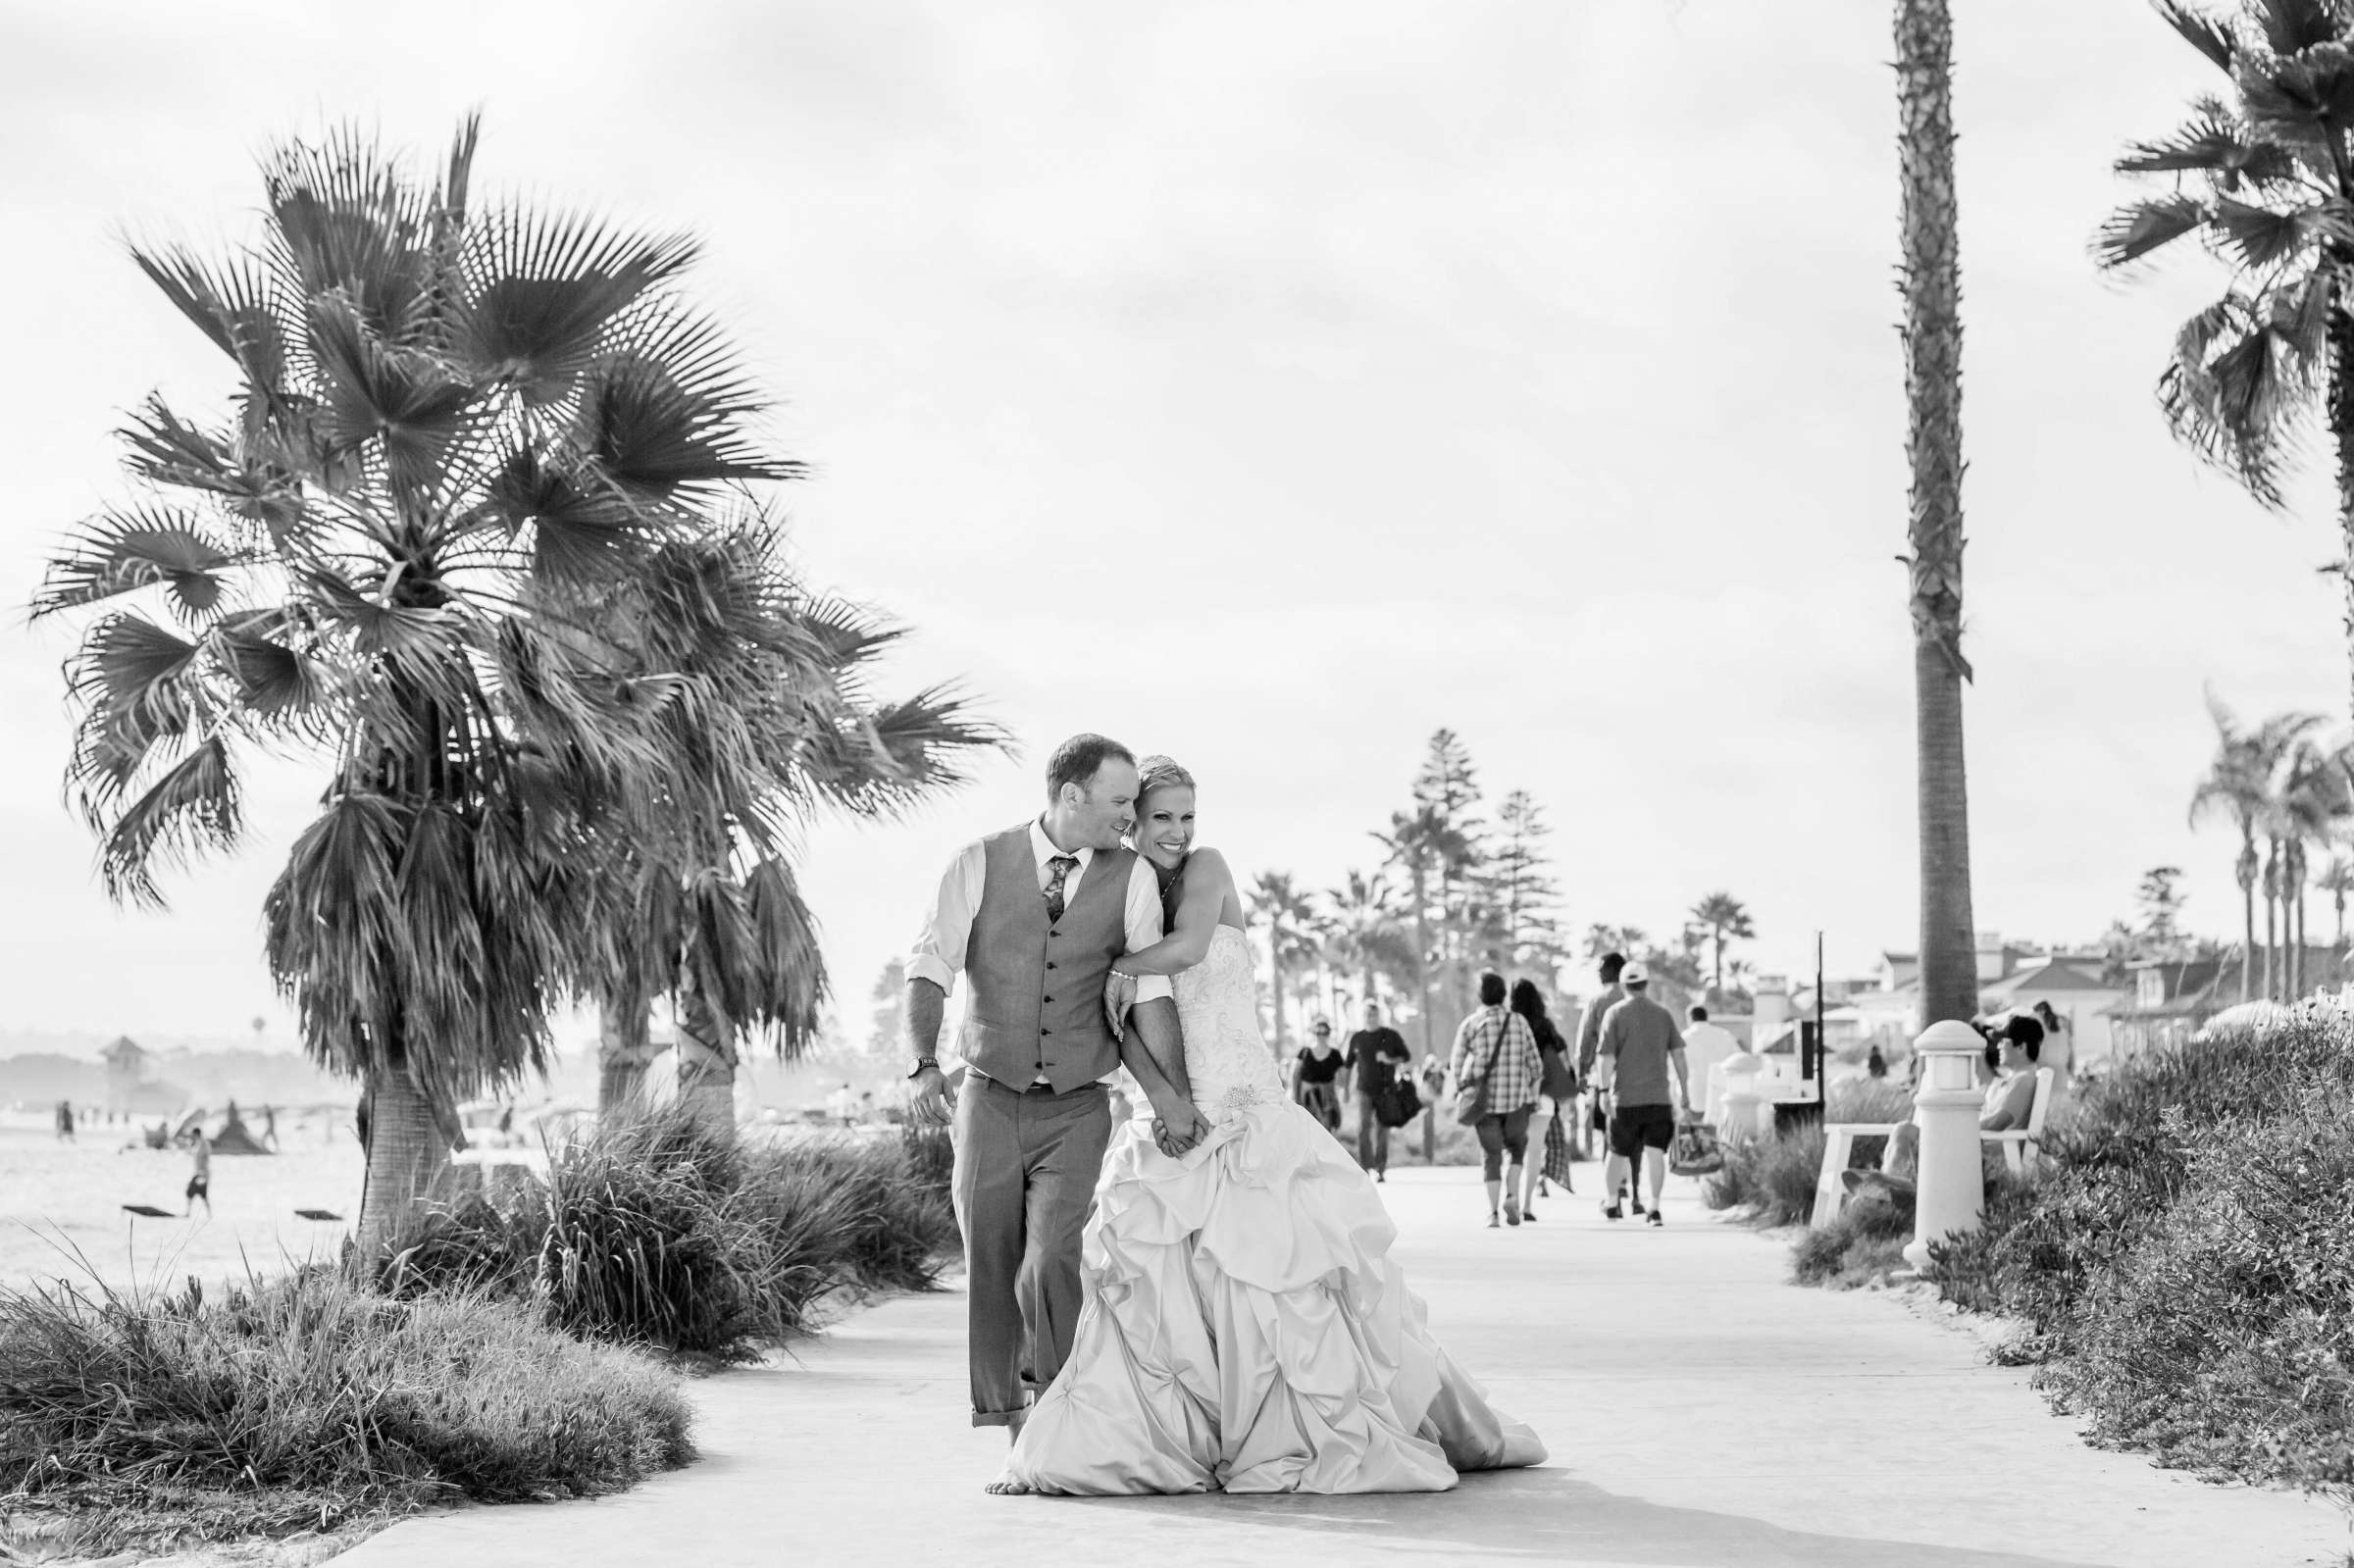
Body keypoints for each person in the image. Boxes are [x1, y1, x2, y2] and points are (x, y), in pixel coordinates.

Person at [1003, 756, 1544, 1494]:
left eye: (1187, 815)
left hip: (1248, 1104)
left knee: (1281, 1278)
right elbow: (1120, 1022)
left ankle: (1293, 1428)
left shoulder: (1206, 869)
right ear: (1131, 818)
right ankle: (1169, 1437)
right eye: (1161, 815)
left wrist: (1118, 964)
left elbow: (1190, 948)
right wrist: (1158, 1088)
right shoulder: (1123, 888)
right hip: (1179, 1108)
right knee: (1158, 1285)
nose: (1178, 830)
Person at [903, 734, 1207, 1473]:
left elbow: (1147, 993)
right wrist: (920, 1064)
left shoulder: (1131, 877)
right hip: (987, 1096)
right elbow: (931, 963)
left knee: (1052, 1259)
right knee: (992, 1261)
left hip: (1078, 1103)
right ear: (1071, 796)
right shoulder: (977, 860)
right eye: (1120, 801)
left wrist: (1172, 1095)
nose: (1132, 815)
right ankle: (1017, 1442)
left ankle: (1057, 1422)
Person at [1853, 1015, 2041, 1192]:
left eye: (2004, 1041)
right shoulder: (2014, 1080)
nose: (1998, 1046)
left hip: (1986, 1151)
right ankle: (1893, 1184)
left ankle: (1894, 1185)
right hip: (1978, 1145)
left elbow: (1999, 1122)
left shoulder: (2023, 1081)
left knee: (1905, 1131)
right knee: (1904, 1131)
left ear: (2021, 1047)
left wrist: (1956, 1130)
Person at [1593, 963, 1693, 1227]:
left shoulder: (1614, 1014)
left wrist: (1603, 1092)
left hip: (1625, 1099)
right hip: (1658, 1098)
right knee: (1655, 1153)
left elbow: (1605, 1058)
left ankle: (1612, 1202)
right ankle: (1654, 1208)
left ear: (1624, 985)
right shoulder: (1662, 1014)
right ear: (1646, 984)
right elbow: (1679, 1056)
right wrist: (1684, 1090)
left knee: (1616, 1152)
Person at [1450, 971, 1544, 1229]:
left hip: (1484, 1103)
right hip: (1516, 1102)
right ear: (1503, 995)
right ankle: (1512, 1196)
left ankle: (1492, 1213)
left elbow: (1456, 1064)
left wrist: (1461, 1090)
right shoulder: (1519, 1022)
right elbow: (1536, 1065)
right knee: (1516, 1149)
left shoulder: (1471, 1023)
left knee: (1491, 1156)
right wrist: (1531, 1093)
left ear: (1480, 995)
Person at [1510, 979, 1576, 1221]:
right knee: (1535, 1151)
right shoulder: (1546, 1027)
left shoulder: (1512, 1025)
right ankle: (1527, 1206)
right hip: (1544, 1097)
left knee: (1514, 1150)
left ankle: (1511, 1198)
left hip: (1514, 1096)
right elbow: (1565, 1062)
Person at [1343, 998, 1412, 1180]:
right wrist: (1345, 1090)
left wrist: (1389, 1060)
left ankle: (1381, 1168)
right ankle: (1365, 1168)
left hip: (1386, 1090)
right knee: (1363, 1128)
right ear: (1363, 1016)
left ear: (1378, 1016)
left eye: (1374, 1014)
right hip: (1364, 1090)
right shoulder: (1357, 1038)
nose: (1371, 1018)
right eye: (1367, 1014)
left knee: (1383, 1129)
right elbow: (1348, 1065)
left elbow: (1406, 1056)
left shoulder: (1391, 1035)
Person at [1575, 952, 1628, 1160]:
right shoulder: (1635, 998)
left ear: (1612, 971)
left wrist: (1581, 1073)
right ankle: (1627, 1177)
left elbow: (1586, 1040)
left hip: (1605, 1075)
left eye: (1601, 969)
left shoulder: (1598, 1001)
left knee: (1609, 1125)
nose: (1598, 973)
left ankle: (1613, 1179)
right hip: (1636, 1074)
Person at [1680, 1004, 1740, 1128]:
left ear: (1690, 1018)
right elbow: (1738, 1061)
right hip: (1720, 1092)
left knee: (1695, 1137)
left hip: (1694, 1094)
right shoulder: (1724, 1035)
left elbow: (1675, 1068)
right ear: (1707, 1018)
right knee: (1718, 1135)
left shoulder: (1684, 1038)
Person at [1289, 1019, 1346, 1134]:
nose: (1321, 1036)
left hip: (1327, 1100)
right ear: (1313, 1034)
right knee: (1307, 1133)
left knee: (1326, 1133)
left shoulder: (1335, 1054)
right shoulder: (1304, 1052)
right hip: (1306, 1098)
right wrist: (1295, 1097)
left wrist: (1337, 1093)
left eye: (1324, 1033)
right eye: (1318, 1033)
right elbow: (1295, 1075)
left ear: (1328, 1034)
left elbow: (1342, 1079)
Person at [2030, 1000, 2074, 1097]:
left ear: (2040, 1012)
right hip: (2062, 1076)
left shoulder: (2040, 1032)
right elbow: (2071, 1058)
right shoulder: (2064, 1032)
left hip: (2044, 1075)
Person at [1416, 1051, 1446, 1164]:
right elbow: (1421, 1084)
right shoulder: (1426, 1073)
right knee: (1428, 1130)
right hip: (1427, 1103)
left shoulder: (1439, 1073)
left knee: (1434, 1131)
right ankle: (1428, 1156)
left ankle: (1431, 1156)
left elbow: (1443, 1085)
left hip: (1436, 1103)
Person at [184, 1131, 212, 1218]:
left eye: (193, 1135)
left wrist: (202, 1173)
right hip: (200, 1173)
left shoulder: (203, 1144)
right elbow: (190, 1152)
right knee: (201, 1193)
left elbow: (205, 1156)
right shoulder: (198, 1143)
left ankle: (189, 1213)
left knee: (192, 1191)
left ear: (196, 1134)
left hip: (202, 1173)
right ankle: (209, 1213)